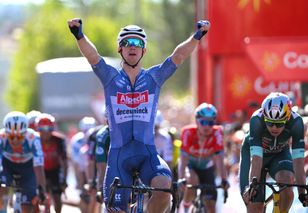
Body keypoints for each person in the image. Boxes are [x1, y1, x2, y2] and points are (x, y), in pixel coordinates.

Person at [68, 17, 210, 212]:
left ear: (144, 50)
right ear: (120, 49)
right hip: (119, 156)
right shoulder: (110, 77)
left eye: (137, 43)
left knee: (164, 187)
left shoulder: (154, 78)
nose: (132, 46)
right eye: (126, 43)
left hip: (147, 153)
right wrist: (79, 35)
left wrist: (197, 36)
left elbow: (178, 56)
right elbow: (93, 56)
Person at [239, 92, 308, 213]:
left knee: (287, 179)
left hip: (279, 153)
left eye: (279, 123)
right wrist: (252, 186)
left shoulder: (297, 123)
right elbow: (257, 159)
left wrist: (302, 193)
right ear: (264, 117)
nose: (274, 127)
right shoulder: (256, 120)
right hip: (254, 156)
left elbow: (298, 162)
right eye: (269, 122)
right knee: (254, 206)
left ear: (288, 118)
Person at [178, 103, 229, 213]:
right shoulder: (187, 132)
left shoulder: (217, 132)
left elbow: (220, 160)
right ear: (197, 121)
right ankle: (186, 207)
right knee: (192, 179)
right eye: (203, 122)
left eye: (210, 122)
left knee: (211, 207)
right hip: (190, 166)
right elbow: (183, 160)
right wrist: (181, 179)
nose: (207, 126)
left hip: (207, 170)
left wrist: (224, 180)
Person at [0, 111, 48, 213]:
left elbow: (39, 166)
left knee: (28, 205)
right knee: (1, 187)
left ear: (25, 132)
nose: (16, 140)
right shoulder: (1, 136)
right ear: (6, 133)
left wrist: (41, 188)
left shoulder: (33, 137)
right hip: (7, 165)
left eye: (20, 136)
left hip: (28, 167)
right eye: (12, 137)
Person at [35, 113, 68, 213]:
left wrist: (64, 180)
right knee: (38, 198)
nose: (45, 133)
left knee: (57, 200)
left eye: (48, 129)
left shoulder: (59, 140)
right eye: (42, 129)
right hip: (39, 170)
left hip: (55, 171)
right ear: (37, 129)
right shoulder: (34, 140)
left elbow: (64, 161)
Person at [70, 116, 96, 213]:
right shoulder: (77, 140)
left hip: (94, 167)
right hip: (82, 167)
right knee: (84, 194)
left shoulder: (97, 137)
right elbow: (76, 162)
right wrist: (80, 183)